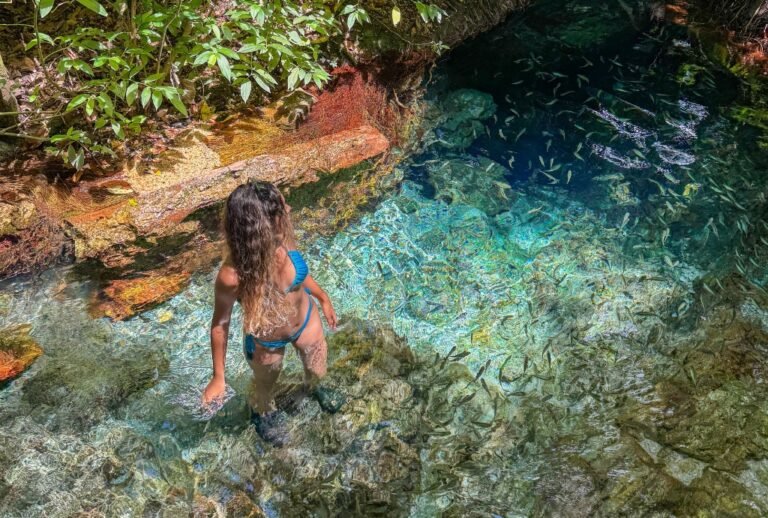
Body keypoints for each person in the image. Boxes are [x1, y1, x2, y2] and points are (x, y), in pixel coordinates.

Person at [202, 180, 342, 445]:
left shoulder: (284, 238)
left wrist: (322, 296)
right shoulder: (233, 276)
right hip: (267, 340)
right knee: (265, 389)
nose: (288, 209)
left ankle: (313, 390)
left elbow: (301, 276)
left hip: (305, 322)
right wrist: (218, 377)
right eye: (280, 210)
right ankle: (262, 412)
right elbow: (220, 324)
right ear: (261, 228)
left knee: (317, 373)